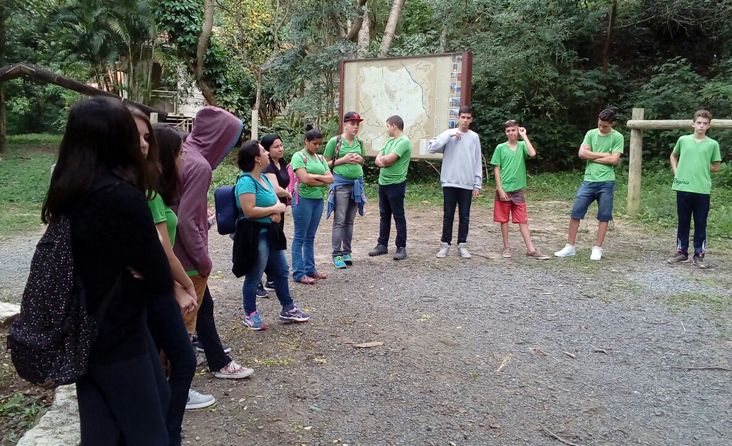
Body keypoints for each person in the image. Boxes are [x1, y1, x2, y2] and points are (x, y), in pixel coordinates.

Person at [43, 97, 171, 444]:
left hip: (81, 328)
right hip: (120, 335)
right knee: (150, 433)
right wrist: (141, 269)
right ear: (115, 140)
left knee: (100, 434)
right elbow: (159, 277)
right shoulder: (121, 196)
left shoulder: (67, 191)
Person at [129, 107, 210, 442]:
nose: (184, 158)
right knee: (181, 358)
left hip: (158, 284)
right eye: (181, 151)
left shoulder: (152, 192)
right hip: (156, 288)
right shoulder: (146, 194)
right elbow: (162, 246)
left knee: (164, 359)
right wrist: (183, 283)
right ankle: (168, 432)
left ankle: (163, 429)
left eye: (148, 138)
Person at [172, 106, 253, 380]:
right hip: (185, 259)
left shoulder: (183, 152)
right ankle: (181, 385)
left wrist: (202, 221)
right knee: (189, 313)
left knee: (204, 306)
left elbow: (177, 209)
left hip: (171, 250)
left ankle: (216, 356)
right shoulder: (199, 165)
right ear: (219, 137)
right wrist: (203, 260)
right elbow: (184, 220)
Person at [235, 140, 311, 330]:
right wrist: (274, 209)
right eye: (263, 151)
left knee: (282, 270)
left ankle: (288, 308)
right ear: (256, 158)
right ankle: (250, 314)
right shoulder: (246, 181)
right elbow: (249, 211)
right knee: (254, 275)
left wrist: (276, 211)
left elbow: (273, 203)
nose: (267, 153)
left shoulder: (265, 179)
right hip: (256, 235)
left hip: (271, 234)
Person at [554, 108, 624, 261]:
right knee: (575, 213)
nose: (601, 128)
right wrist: (605, 155)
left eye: (605, 126)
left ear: (612, 124)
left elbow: (614, 160)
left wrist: (592, 156)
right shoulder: (590, 134)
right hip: (589, 180)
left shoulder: (618, 137)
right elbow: (581, 154)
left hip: (607, 182)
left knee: (604, 216)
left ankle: (597, 248)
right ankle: (570, 246)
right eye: (599, 124)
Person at [666, 110, 722, 268]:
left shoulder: (712, 144)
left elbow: (716, 166)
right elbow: (673, 155)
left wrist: (702, 166)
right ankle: (681, 251)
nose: (701, 126)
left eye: (705, 123)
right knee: (683, 221)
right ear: (693, 124)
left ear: (709, 126)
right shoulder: (683, 140)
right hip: (683, 185)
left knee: (700, 222)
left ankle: (699, 254)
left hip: (702, 188)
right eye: (699, 123)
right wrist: (677, 172)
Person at [428, 105, 483, 258]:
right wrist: (451, 134)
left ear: (471, 119)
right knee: (448, 215)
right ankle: (445, 245)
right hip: (449, 182)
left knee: (465, 216)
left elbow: (477, 160)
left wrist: (477, 183)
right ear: (458, 118)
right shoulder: (449, 134)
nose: (465, 120)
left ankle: (462, 245)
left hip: (466, 183)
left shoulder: (474, 137)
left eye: (468, 118)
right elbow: (432, 148)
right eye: (462, 117)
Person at [490, 120, 550, 260]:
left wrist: (524, 136)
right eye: (508, 131)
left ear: (517, 131)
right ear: (505, 133)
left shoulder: (522, 145)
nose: (511, 133)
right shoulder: (500, 148)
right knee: (504, 220)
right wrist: (500, 189)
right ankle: (506, 247)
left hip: (518, 190)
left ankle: (531, 249)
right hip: (504, 189)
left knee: (522, 220)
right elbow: (496, 169)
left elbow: (532, 153)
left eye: (513, 130)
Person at [324, 111, 367, 269]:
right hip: (340, 185)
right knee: (339, 220)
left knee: (350, 220)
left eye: (357, 124)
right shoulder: (335, 141)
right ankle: (336, 254)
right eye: (352, 123)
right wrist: (343, 160)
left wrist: (359, 159)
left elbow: (362, 160)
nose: (355, 127)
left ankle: (347, 251)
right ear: (345, 125)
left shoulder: (359, 142)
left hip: (357, 184)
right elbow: (325, 164)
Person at [290, 128, 333, 284]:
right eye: (314, 143)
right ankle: (298, 272)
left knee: (311, 236)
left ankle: (310, 268)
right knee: (300, 236)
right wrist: (319, 180)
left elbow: (331, 178)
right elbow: (304, 178)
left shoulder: (320, 158)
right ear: (306, 142)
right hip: (303, 199)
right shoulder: (298, 156)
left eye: (319, 144)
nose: (317, 147)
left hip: (317, 199)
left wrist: (313, 177)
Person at [369, 115, 411, 260]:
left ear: (393, 126)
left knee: (398, 215)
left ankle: (401, 247)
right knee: (384, 215)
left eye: (387, 126)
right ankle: (382, 245)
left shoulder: (404, 142)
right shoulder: (389, 141)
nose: (387, 129)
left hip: (396, 184)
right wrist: (383, 161)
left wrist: (383, 161)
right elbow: (378, 159)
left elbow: (388, 159)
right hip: (383, 183)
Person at [260, 134, 292, 294]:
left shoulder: (282, 162)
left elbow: (286, 182)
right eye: (276, 147)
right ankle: (260, 278)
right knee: (267, 242)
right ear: (267, 150)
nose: (280, 149)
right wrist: (288, 194)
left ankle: (271, 277)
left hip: (281, 208)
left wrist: (286, 194)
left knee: (276, 240)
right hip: (270, 208)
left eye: (281, 145)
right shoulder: (267, 166)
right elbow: (275, 187)